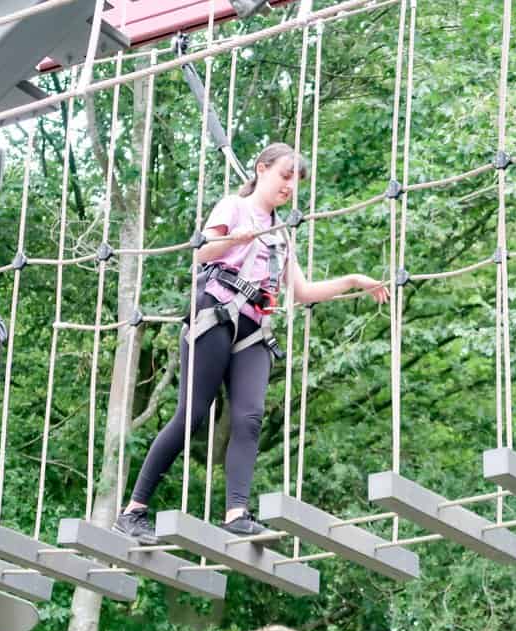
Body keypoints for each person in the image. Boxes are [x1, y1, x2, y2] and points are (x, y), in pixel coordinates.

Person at [113, 143, 388, 544]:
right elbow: (201, 252)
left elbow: (302, 291)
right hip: (217, 313)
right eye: (285, 175)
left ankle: (237, 513)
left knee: (249, 418)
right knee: (192, 415)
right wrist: (237, 239)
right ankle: (133, 510)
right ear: (262, 169)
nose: (290, 186)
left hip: (255, 330)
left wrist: (353, 281)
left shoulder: (280, 234)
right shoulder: (233, 208)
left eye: (296, 181)